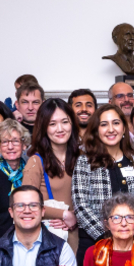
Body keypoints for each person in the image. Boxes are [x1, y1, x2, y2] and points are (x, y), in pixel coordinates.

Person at [72, 104, 134, 266]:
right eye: (104, 124)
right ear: (96, 130)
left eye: (116, 123)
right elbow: (81, 206)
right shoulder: (84, 162)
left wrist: (133, 236)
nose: (110, 129)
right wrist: (108, 236)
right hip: (95, 245)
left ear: (124, 129)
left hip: (131, 246)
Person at [23, 97, 80, 253]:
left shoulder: (83, 158)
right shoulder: (36, 162)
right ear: (44, 128)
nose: (60, 129)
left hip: (81, 238)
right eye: (52, 124)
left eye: (65, 122)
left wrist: (76, 216)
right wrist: (64, 214)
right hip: (50, 237)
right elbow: (26, 204)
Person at [0, 119, 31, 247]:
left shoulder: (31, 172)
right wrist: (1, 247)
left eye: (15, 141)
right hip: (2, 243)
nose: (10, 147)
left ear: (24, 145)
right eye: (5, 142)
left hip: (31, 239)